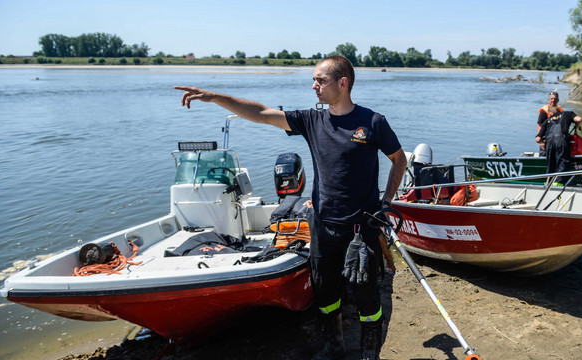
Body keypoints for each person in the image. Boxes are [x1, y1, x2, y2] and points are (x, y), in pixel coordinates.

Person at [174, 55, 407, 360]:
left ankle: (368, 351)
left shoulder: (373, 122)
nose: (314, 86)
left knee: (366, 297)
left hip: (361, 228)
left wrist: (386, 203)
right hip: (322, 226)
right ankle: (332, 347)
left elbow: (399, 160)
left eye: (320, 80)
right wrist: (217, 97)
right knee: (325, 296)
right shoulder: (312, 120)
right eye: (314, 80)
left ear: (342, 83)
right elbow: (261, 113)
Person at [535, 107, 582, 175]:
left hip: (549, 143)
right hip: (561, 140)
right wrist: (577, 126)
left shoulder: (547, 121)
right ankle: (558, 183)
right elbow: (579, 119)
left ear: (550, 113)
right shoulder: (567, 114)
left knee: (551, 164)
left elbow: (538, 139)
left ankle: (549, 182)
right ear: (560, 111)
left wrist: (543, 142)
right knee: (563, 162)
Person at [536, 91, 564, 156]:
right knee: (544, 156)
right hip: (546, 139)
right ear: (548, 100)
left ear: (558, 100)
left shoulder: (560, 110)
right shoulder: (544, 111)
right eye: (551, 99)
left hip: (558, 139)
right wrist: (541, 142)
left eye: (555, 99)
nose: (553, 100)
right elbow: (540, 125)